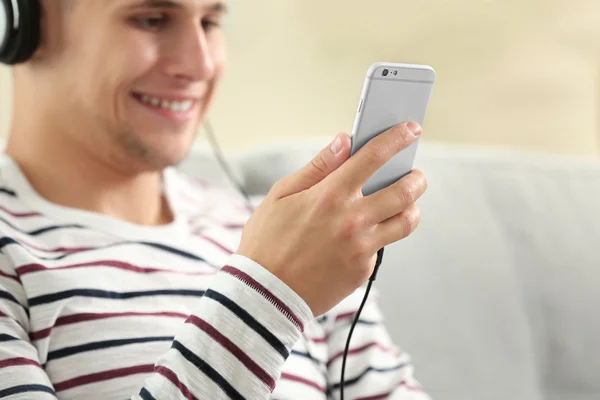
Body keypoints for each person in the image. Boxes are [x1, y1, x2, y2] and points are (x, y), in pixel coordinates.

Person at [0, 0, 430, 399]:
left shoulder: (295, 231)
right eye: (152, 19)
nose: (200, 64)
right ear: (20, 23)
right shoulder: (285, 259)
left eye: (209, 22)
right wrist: (269, 293)